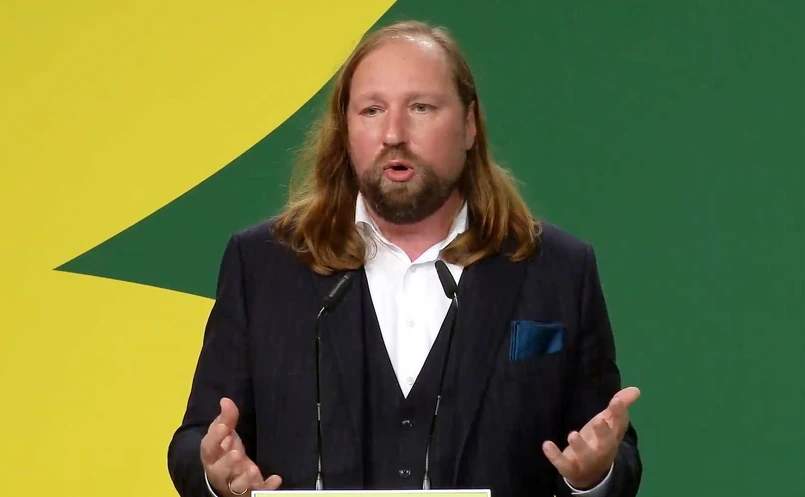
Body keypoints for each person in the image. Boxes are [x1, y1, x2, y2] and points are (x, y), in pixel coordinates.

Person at [167, 20, 642, 497]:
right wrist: (216, 473)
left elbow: (611, 451)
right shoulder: (263, 265)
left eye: (420, 107)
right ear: (346, 130)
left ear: (469, 125)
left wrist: (591, 477)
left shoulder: (556, 269)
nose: (393, 133)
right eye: (372, 110)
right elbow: (196, 441)